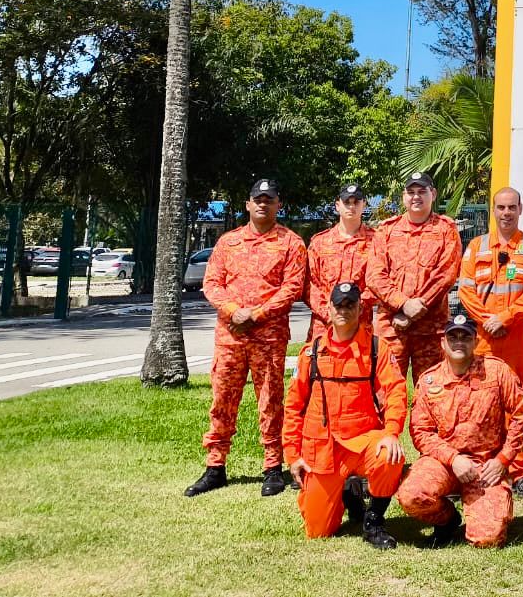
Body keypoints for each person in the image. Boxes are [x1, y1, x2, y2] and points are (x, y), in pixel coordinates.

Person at [187, 178, 308, 498]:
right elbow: (212, 284)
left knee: (270, 402)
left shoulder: (291, 243)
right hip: (231, 335)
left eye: (269, 199)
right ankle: (215, 467)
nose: (263, 204)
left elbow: (292, 288)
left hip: (268, 337)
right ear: (248, 204)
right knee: (222, 401)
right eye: (258, 199)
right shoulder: (228, 243)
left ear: (278, 205)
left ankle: (272, 468)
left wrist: (254, 315)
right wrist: (232, 311)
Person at [396, 310, 523, 549]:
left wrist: (503, 459)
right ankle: (447, 520)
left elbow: (522, 413)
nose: (459, 342)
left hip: (486, 464)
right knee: (412, 495)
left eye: (465, 337)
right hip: (444, 463)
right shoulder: (430, 381)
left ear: (476, 341)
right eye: (453, 337)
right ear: (443, 342)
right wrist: (453, 458)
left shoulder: (496, 372)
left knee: (488, 539)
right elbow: (420, 431)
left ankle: (488, 511)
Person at [283, 282, 405, 548]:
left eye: (350, 305)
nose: (344, 310)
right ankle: (346, 493)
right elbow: (293, 407)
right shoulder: (310, 353)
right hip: (322, 448)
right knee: (318, 530)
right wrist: (293, 456)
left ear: (360, 308)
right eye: (339, 304)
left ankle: (373, 521)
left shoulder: (376, 349)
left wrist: (392, 432)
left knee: (389, 457)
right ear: (329, 308)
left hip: (361, 441)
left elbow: (395, 391)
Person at [457, 185, 523, 496]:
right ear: (492, 211)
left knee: (519, 403)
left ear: (520, 210)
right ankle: (485, 464)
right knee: (482, 403)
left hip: (517, 337)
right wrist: (486, 320)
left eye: (512, 207)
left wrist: (505, 318)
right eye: (501, 208)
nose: (506, 213)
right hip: (483, 340)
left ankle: (521, 470)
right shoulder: (476, 248)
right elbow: (465, 290)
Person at [366, 171, 462, 388]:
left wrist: (412, 312)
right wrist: (403, 304)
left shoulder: (446, 230)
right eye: (411, 192)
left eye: (422, 191)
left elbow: (445, 275)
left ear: (433, 194)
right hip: (391, 328)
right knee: (386, 393)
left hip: (430, 330)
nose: (416, 197)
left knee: (431, 393)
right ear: (403, 197)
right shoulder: (387, 230)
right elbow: (374, 275)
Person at [305, 183, 375, 343]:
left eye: (356, 202)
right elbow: (310, 285)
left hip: (360, 324)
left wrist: (353, 311)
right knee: (321, 367)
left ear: (364, 204)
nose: (351, 206)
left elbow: (378, 282)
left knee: (361, 367)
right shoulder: (320, 242)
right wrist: (330, 312)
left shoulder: (376, 241)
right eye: (347, 202)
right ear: (337, 205)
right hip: (324, 326)